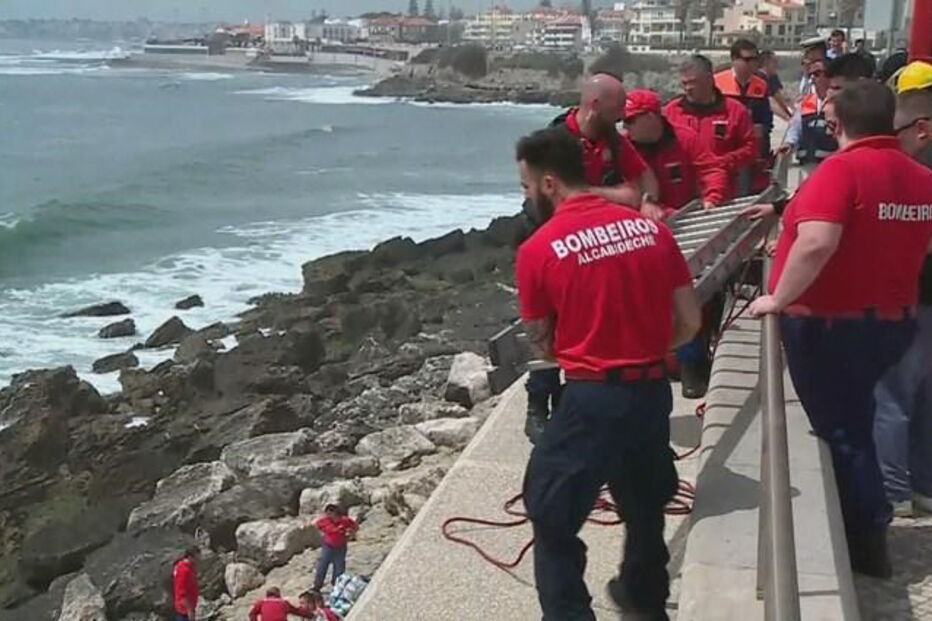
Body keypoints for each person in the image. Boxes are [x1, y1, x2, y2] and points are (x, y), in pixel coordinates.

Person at [515, 127, 701, 620]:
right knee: (645, 502)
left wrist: (595, 350)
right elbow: (689, 322)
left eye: (527, 187)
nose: (527, 198)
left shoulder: (538, 248)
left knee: (550, 512)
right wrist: (643, 348)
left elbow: (543, 343)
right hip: (651, 388)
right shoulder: (651, 230)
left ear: (549, 183)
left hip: (592, 397)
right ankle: (645, 599)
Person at [749, 81, 932, 578]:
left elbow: (817, 242)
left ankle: (866, 540)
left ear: (836, 125)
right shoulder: (919, 177)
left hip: (832, 325)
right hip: (892, 319)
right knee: (863, 420)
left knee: (844, 433)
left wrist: (777, 298)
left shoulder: (840, 171)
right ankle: (869, 527)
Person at [525, 72, 663, 444]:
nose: (623, 117)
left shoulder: (612, 140)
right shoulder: (554, 142)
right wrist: (618, 196)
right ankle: (537, 403)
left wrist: (647, 201)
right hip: (552, 241)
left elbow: (645, 180)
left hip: (590, 242)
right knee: (546, 325)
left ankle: (571, 400)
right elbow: (550, 197)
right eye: (618, 109)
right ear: (595, 106)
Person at [625, 88, 729, 398]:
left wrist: (713, 197)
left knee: (691, 299)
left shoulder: (685, 140)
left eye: (631, 120)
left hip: (687, 227)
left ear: (651, 117)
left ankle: (692, 365)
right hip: (643, 234)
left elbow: (711, 168)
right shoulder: (623, 148)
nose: (626, 126)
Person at [873, 62, 932, 517]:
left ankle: (894, 492)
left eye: (897, 132)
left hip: (913, 298)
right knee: (924, 397)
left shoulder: (916, 175)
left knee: (891, 396)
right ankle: (925, 485)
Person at [665, 55, 757, 198]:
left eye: (693, 82)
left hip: (723, 191)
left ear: (709, 78)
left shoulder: (735, 111)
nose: (688, 88)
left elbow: (751, 148)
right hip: (680, 194)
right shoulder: (671, 112)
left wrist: (722, 162)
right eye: (684, 83)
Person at [715, 39, 773, 193]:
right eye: (747, 60)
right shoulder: (717, 83)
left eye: (755, 59)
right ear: (734, 60)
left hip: (748, 150)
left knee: (744, 192)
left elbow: (766, 120)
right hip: (722, 149)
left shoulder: (761, 85)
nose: (752, 64)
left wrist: (760, 131)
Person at [780, 58, 837, 176]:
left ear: (830, 76)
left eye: (817, 74)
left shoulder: (840, 102)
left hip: (831, 165)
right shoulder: (805, 102)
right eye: (810, 75)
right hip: (806, 165)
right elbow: (795, 128)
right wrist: (789, 143)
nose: (812, 78)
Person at [313, 504, 358, 591]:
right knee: (322, 565)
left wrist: (351, 534)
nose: (329, 515)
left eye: (331, 513)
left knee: (339, 566)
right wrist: (322, 534)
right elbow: (317, 526)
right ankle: (317, 585)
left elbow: (355, 526)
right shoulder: (324, 521)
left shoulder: (345, 520)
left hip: (341, 546)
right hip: (328, 546)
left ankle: (337, 584)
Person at [760, 50, 794, 122]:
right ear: (766, 62)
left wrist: (793, 112)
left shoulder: (772, 76)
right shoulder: (760, 78)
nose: (777, 65)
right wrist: (787, 117)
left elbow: (780, 95)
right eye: (774, 62)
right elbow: (770, 103)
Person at [249, 587, 313, 621]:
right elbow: (296, 611)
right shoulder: (283, 603)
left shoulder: (262, 602)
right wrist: (310, 615)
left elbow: (252, 613)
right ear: (278, 594)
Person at [172, 546, 200, 621]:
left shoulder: (190, 568)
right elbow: (182, 593)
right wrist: (189, 610)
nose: (198, 560)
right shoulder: (184, 570)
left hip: (188, 607)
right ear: (190, 557)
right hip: (184, 611)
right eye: (196, 558)